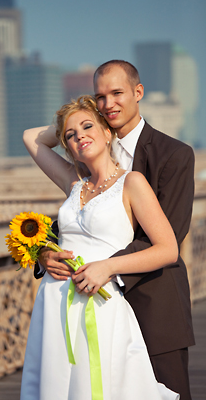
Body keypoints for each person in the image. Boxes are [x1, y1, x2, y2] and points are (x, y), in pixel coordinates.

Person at [35, 60, 195, 400]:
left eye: (117, 94)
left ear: (139, 93)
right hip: (76, 305)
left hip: (153, 302)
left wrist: (104, 268)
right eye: (100, 97)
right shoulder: (81, 175)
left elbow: (169, 237)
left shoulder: (174, 155)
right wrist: (80, 117)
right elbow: (68, 227)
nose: (109, 104)